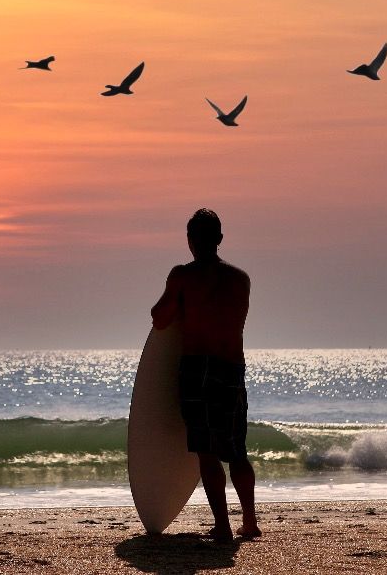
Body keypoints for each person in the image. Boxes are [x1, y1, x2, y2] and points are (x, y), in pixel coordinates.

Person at [151, 208, 259, 543]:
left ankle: (224, 527)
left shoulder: (182, 275)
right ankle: (250, 521)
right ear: (220, 239)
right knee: (237, 450)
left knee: (207, 452)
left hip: (198, 369)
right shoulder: (241, 279)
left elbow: (160, 318)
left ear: (190, 241)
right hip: (232, 368)